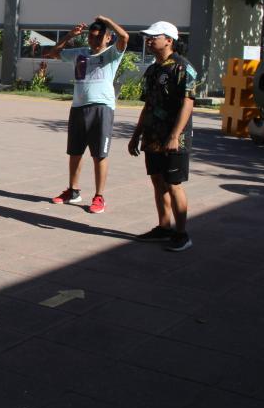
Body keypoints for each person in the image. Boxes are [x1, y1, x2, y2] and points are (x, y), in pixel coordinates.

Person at [44, 15, 129, 214]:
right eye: (91, 37)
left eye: (99, 37)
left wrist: (107, 20)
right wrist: (69, 36)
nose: (94, 41)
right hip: (78, 107)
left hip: (101, 108)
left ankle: (99, 196)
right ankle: (73, 191)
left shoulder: (112, 54)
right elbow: (53, 53)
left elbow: (124, 37)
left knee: (99, 154)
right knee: (74, 152)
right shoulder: (80, 53)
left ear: (108, 38)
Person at [128, 21, 197, 252]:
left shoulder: (183, 67)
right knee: (158, 181)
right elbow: (148, 104)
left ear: (169, 40)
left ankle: (182, 233)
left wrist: (175, 135)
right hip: (152, 136)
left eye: (154, 37)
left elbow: (188, 103)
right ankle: (164, 227)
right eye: (148, 37)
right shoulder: (153, 69)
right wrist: (136, 134)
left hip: (175, 138)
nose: (149, 40)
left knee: (174, 183)